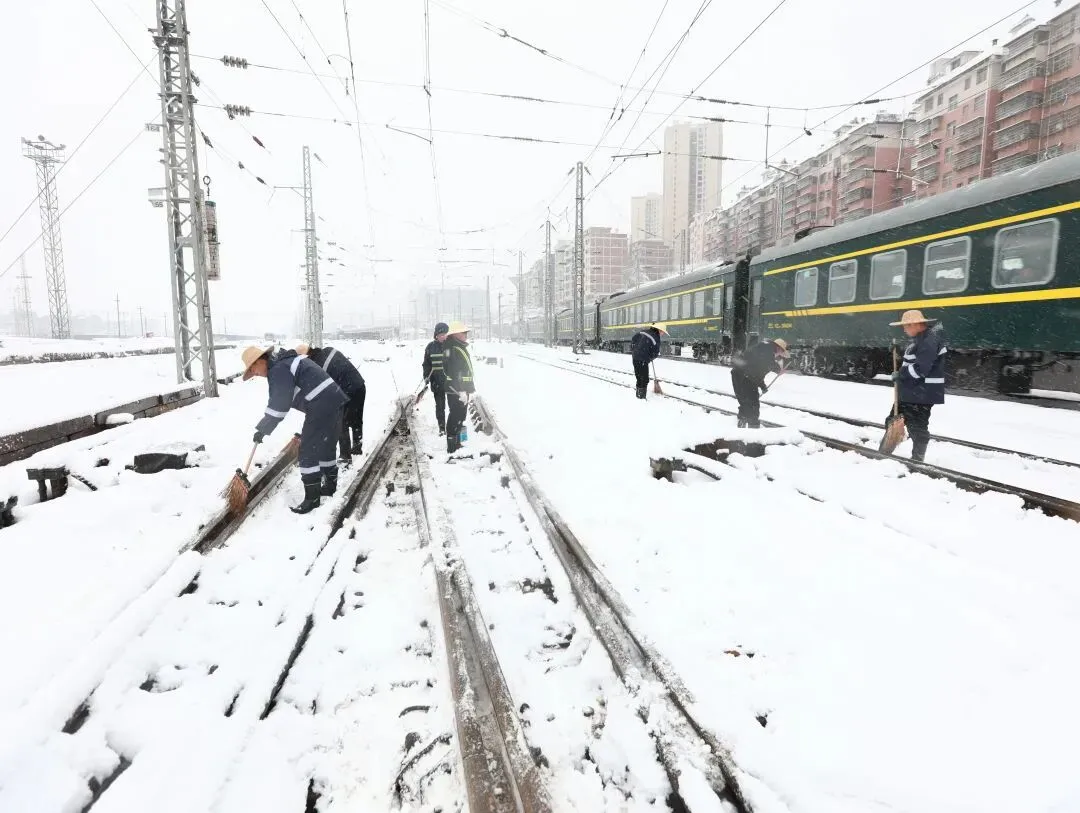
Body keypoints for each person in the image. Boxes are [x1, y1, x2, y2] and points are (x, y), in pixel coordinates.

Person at [241, 344, 346, 514]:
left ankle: (312, 499)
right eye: (251, 373)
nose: (255, 374)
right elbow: (285, 399)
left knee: (307, 451)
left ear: (261, 360)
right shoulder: (285, 363)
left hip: (320, 404)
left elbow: (279, 404)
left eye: (253, 368)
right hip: (334, 399)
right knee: (326, 445)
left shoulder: (278, 369)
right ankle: (329, 487)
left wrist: (263, 429)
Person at [887, 309, 946, 462]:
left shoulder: (929, 341)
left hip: (922, 392)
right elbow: (914, 361)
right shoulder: (921, 340)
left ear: (915, 324)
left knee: (917, 425)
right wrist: (898, 352)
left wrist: (901, 375)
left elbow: (921, 369)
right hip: (912, 391)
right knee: (893, 419)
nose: (904, 329)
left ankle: (917, 459)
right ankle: (888, 447)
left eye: (906, 326)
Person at [296, 342, 366, 460]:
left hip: (347, 391)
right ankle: (357, 447)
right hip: (360, 386)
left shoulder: (317, 367)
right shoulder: (329, 350)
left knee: (340, 423)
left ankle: (345, 457)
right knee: (356, 418)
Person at [730, 338, 789, 428]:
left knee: (745, 402)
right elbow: (764, 366)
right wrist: (778, 370)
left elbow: (757, 372)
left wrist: (763, 387)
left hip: (740, 375)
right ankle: (753, 426)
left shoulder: (763, 348)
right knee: (753, 403)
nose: (779, 355)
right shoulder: (767, 349)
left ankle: (742, 422)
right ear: (778, 348)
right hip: (744, 376)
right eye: (780, 352)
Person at [442, 321, 475, 453]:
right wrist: (460, 390)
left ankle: (457, 443)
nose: (466, 335)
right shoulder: (452, 348)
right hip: (456, 389)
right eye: (464, 332)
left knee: (460, 416)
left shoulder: (458, 346)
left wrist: (466, 389)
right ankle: (451, 446)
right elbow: (453, 371)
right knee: (455, 415)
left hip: (462, 389)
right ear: (455, 334)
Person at [422, 322, 449, 434]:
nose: (443, 336)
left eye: (445, 334)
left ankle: (454, 426)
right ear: (436, 335)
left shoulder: (451, 346)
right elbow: (426, 364)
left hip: (450, 381)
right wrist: (426, 376)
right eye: (441, 334)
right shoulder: (430, 347)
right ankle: (442, 427)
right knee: (440, 406)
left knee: (454, 405)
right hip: (436, 381)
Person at [629, 323, 667, 399]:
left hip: (635, 357)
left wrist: (634, 350)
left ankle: (638, 395)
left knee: (639, 377)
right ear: (659, 330)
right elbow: (655, 353)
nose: (663, 334)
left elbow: (633, 340)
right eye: (663, 332)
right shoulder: (656, 337)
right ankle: (641, 397)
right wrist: (650, 358)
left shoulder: (643, 331)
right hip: (643, 359)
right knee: (644, 379)